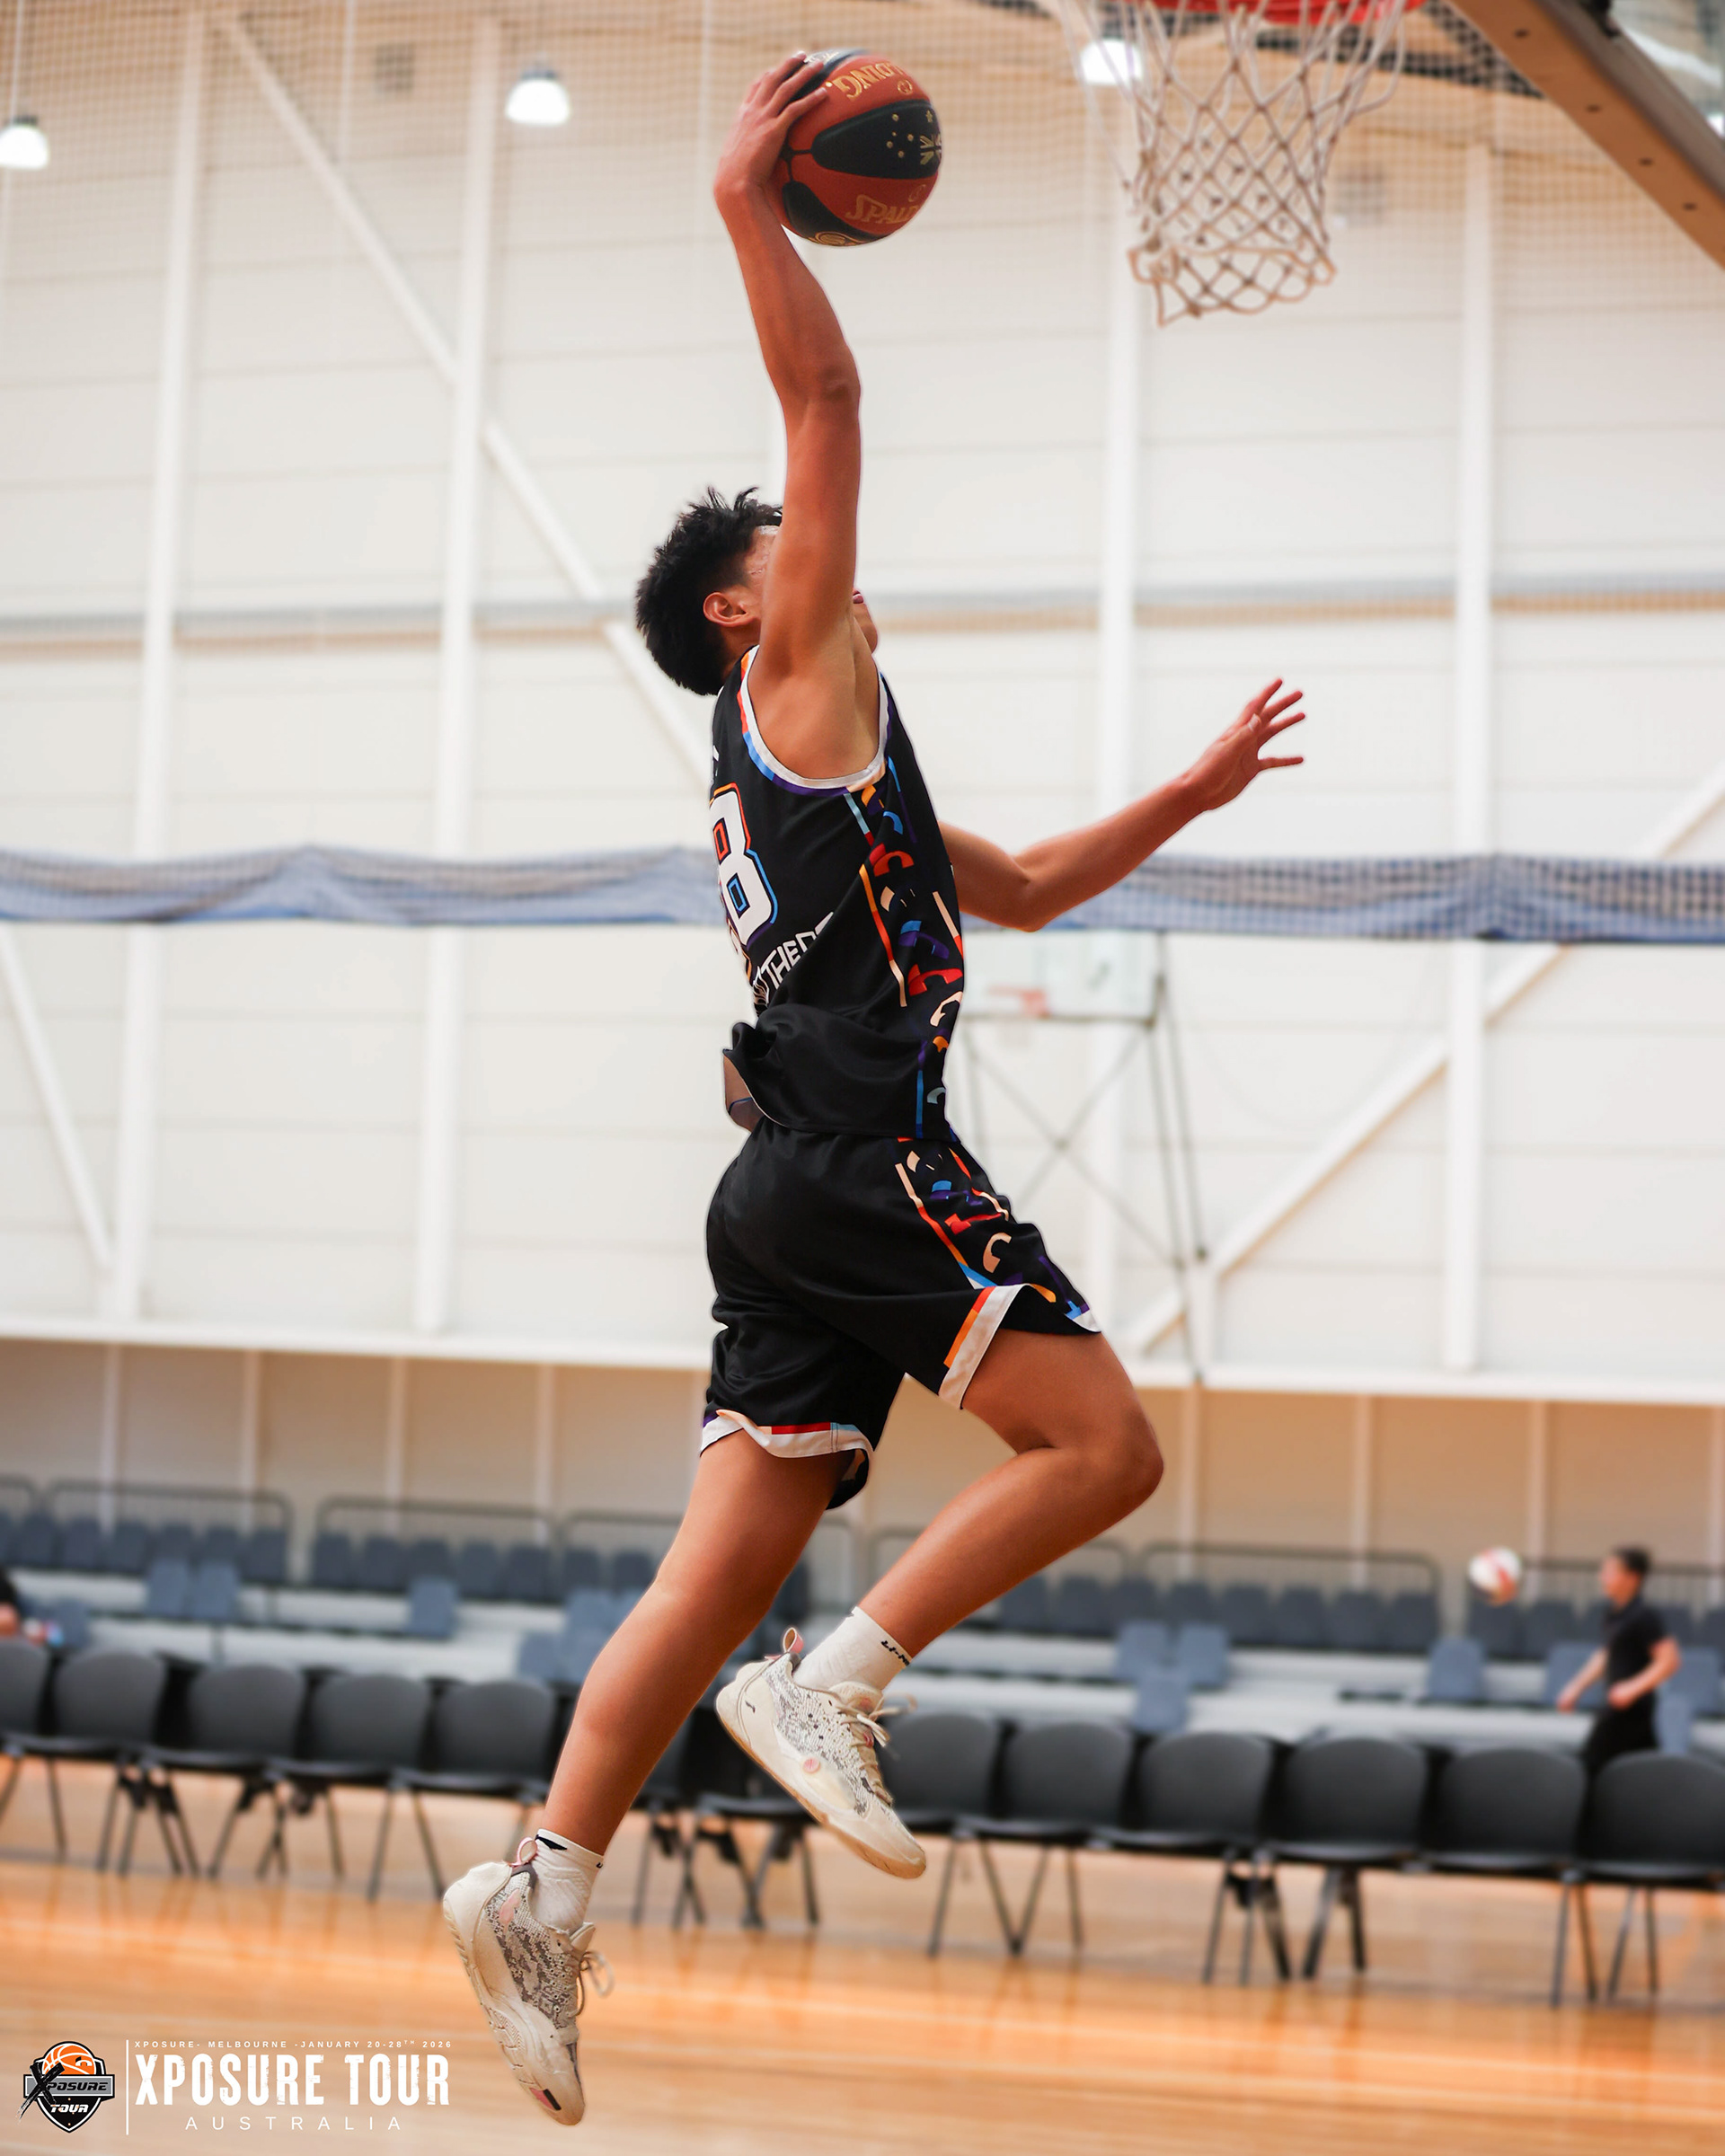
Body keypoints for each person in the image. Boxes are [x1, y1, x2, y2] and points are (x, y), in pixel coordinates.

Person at [442, 53, 1306, 2129]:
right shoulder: (791, 676)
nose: (807, 529)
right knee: (1103, 1444)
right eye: (776, 539)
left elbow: (1025, 883)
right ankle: (838, 1686)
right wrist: (749, 207)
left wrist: (1187, 794)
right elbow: (824, 399)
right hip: (854, 1155)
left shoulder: (840, 765)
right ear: (739, 606)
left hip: (783, 1187)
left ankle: (542, 1880)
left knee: (710, 1570)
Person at [1555, 1545, 1682, 1773]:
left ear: (1632, 1578)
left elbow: (1669, 1660)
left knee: (1591, 1765)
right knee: (1644, 1770)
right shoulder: (1614, 1614)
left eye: (1610, 1571)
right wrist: (1575, 1687)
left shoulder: (1644, 1615)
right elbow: (1605, 1656)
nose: (1602, 1577)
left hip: (1632, 1709)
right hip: (1618, 1706)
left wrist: (1632, 1688)